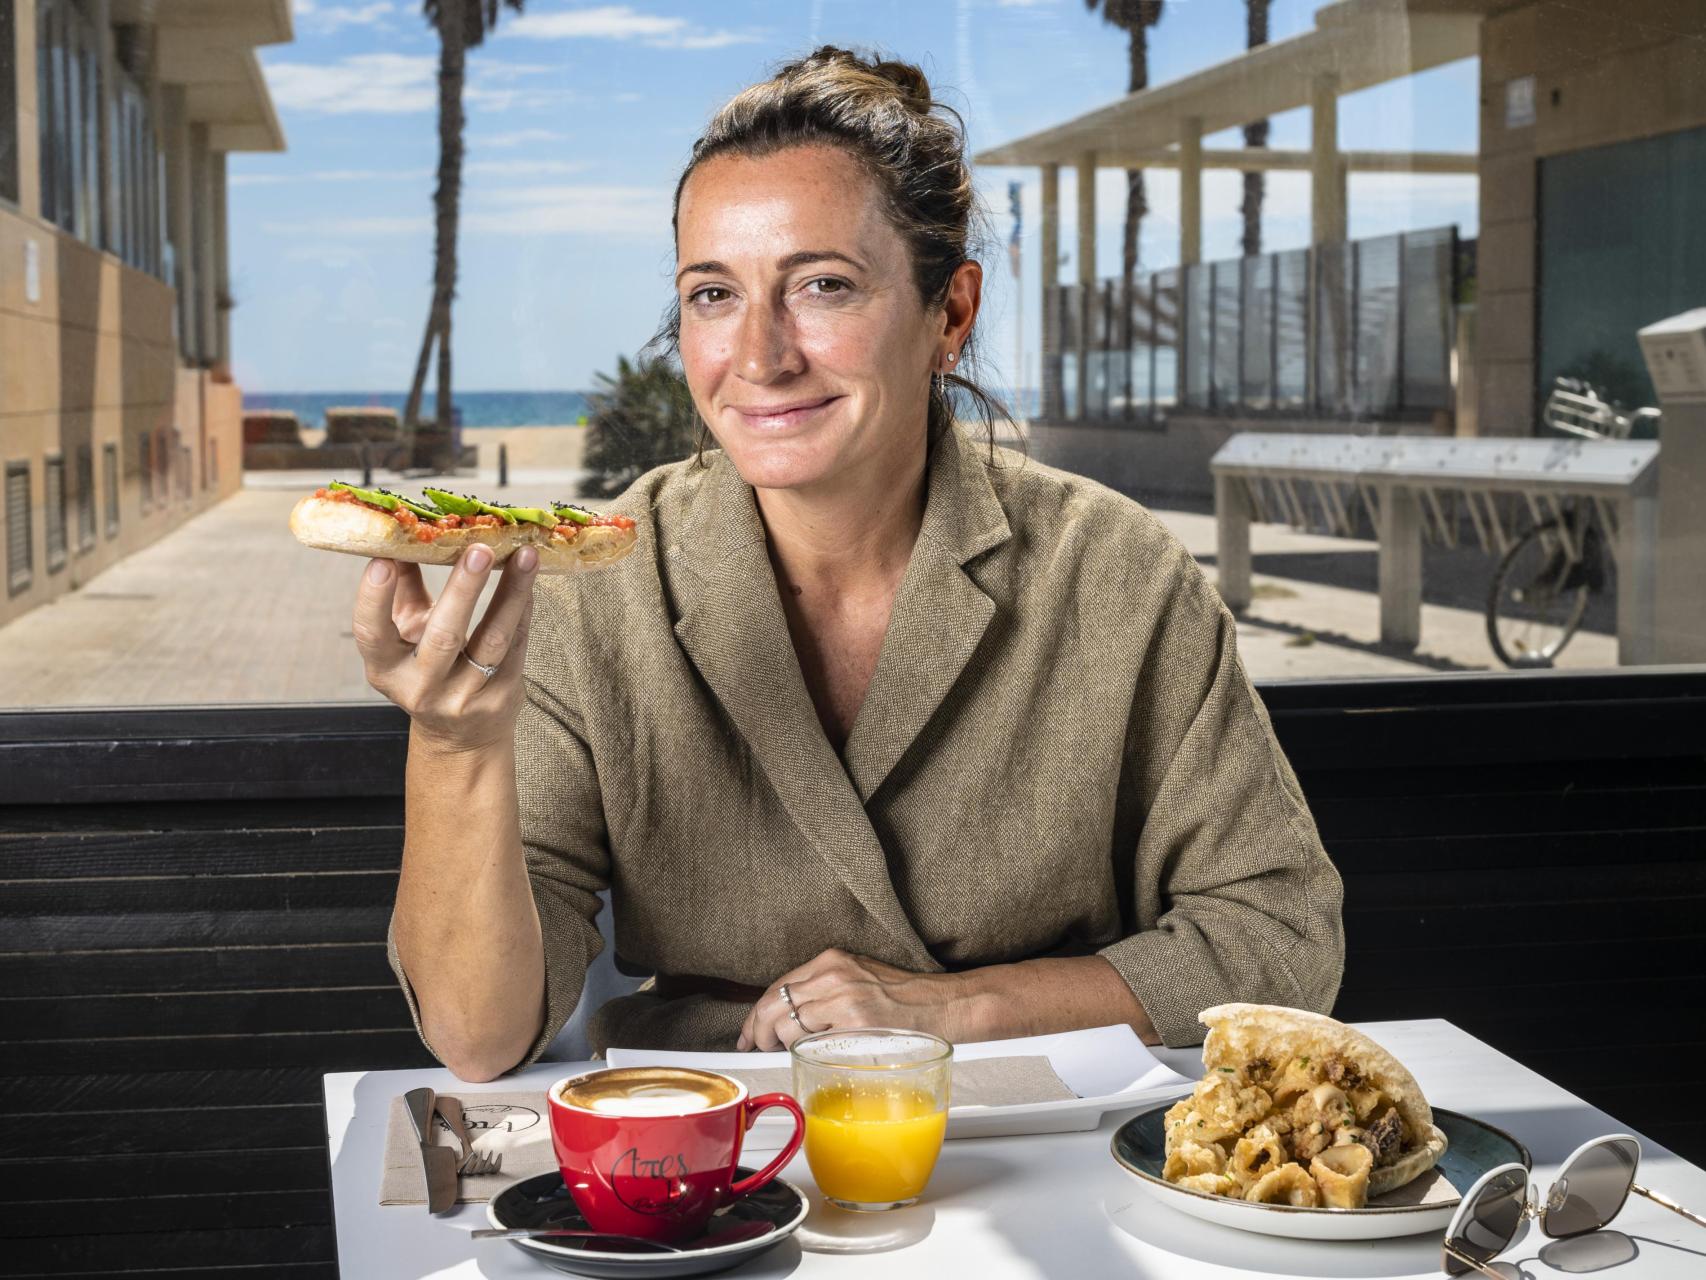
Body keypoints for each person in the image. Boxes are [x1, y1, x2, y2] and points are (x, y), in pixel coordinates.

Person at [356, 47, 1344, 1083]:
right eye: (711, 295)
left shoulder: (1113, 573)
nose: (758, 355)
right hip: (712, 1135)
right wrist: (453, 739)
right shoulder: (603, 585)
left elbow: (1280, 937)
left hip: (1056, 1134)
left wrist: (955, 1008)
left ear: (948, 315)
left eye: (821, 285)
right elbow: (477, 1034)